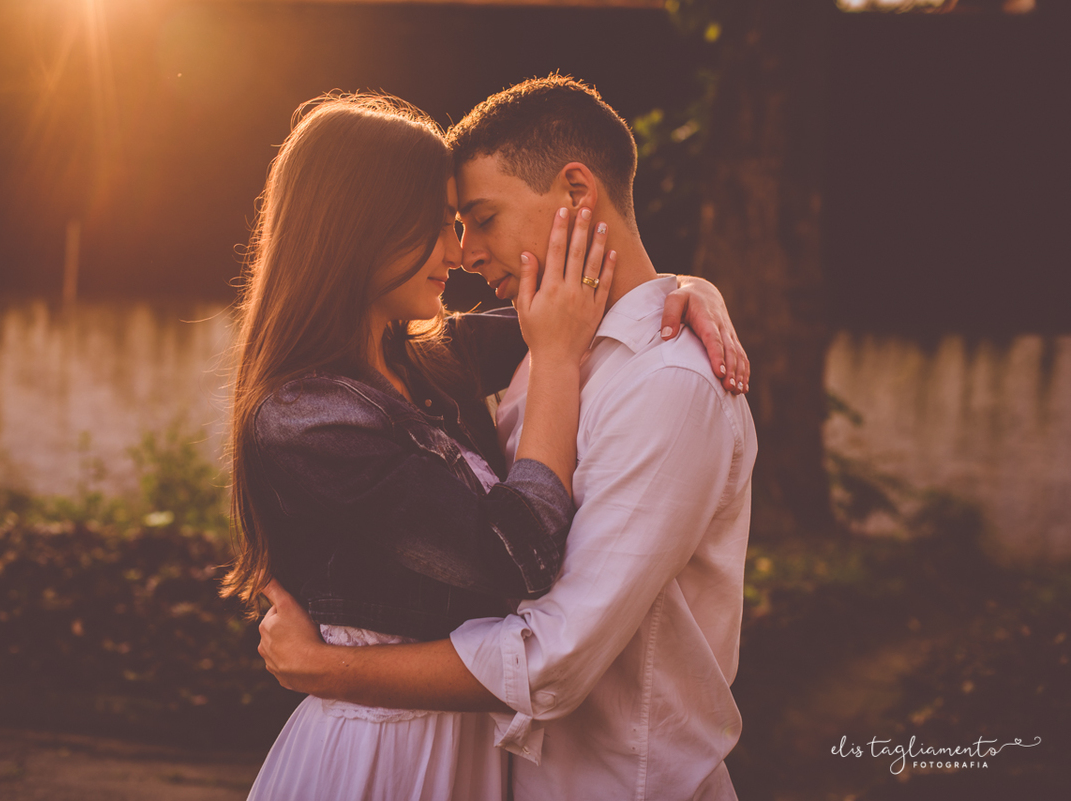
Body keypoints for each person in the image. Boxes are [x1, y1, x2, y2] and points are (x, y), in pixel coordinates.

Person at [224, 92, 746, 801]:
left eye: (476, 220)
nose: (462, 253)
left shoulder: (609, 373)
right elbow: (515, 560)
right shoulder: (325, 412)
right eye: (442, 225)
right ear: (357, 230)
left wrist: (687, 287)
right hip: (390, 762)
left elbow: (547, 654)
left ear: (576, 192)